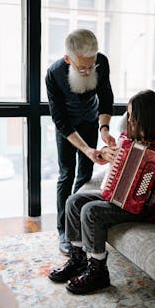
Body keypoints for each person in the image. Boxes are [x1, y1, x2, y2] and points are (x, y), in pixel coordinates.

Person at [48, 89, 155, 294]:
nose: (130, 124)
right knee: (73, 201)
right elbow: (110, 161)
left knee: (91, 211)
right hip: (116, 196)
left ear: (148, 119)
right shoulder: (126, 139)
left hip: (143, 208)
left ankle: (98, 271)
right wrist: (106, 154)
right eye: (129, 117)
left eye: (134, 118)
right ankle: (78, 258)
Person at [45, 29, 115, 256]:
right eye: (81, 67)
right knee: (67, 174)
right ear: (68, 59)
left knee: (85, 176)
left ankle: (78, 226)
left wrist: (104, 130)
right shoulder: (53, 74)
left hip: (90, 120)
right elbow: (60, 121)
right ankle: (64, 231)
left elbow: (106, 98)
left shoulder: (101, 62)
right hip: (67, 128)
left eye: (91, 65)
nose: (87, 71)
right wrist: (85, 148)